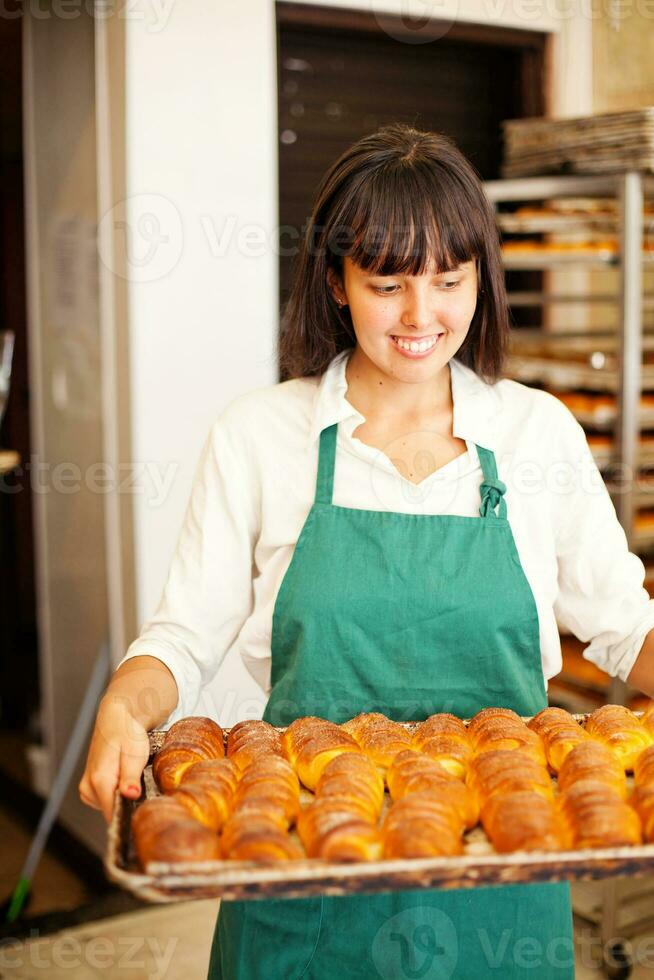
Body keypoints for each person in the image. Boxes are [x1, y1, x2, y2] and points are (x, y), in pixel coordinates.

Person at [80, 124, 654, 980]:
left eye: (450, 282)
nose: (423, 317)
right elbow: (182, 634)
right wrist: (126, 706)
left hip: (501, 884)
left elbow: (626, 626)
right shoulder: (260, 435)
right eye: (388, 283)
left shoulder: (536, 433)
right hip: (303, 878)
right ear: (336, 283)